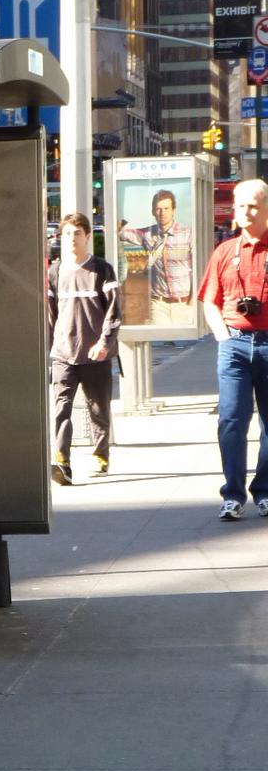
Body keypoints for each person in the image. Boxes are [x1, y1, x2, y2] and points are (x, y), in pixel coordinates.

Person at [196, 177, 268, 520]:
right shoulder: (224, 252)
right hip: (234, 345)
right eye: (241, 205)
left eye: (253, 205)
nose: (246, 212)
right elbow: (209, 301)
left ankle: (265, 491)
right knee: (231, 421)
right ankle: (233, 495)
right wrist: (223, 337)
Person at [47, 211, 120, 484]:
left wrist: (104, 343)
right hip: (63, 355)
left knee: (98, 410)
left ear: (87, 236)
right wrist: (52, 345)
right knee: (61, 409)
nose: (72, 238)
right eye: (67, 233)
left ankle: (101, 456)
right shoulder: (54, 272)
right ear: (60, 237)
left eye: (77, 233)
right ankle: (62, 462)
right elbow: (51, 314)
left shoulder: (101, 269)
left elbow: (114, 310)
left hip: (95, 354)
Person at [120, 188, 193, 326]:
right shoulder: (147, 234)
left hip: (183, 304)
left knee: (184, 345)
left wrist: (192, 300)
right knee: (161, 343)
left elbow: (197, 269)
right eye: (158, 209)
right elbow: (121, 233)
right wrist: (119, 219)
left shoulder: (188, 234)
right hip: (158, 304)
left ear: (173, 210)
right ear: (153, 211)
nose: (162, 213)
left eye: (166, 208)